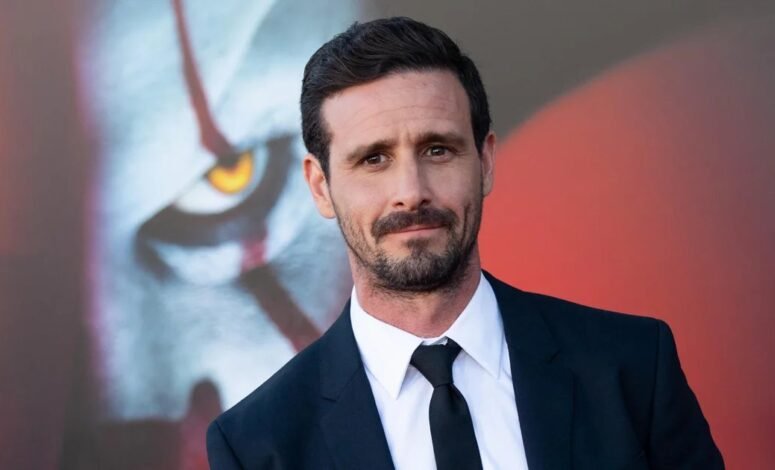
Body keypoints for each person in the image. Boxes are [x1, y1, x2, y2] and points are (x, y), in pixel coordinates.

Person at [206, 17, 723, 469]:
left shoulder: (633, 368)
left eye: (437, 149)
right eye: (373, 159)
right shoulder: (257, 444)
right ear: (320, 186)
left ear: (485, 161)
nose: (411, 191)